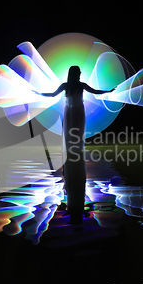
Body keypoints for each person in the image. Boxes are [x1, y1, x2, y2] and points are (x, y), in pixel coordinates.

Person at [33, 65, 114, 225]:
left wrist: (108, 91)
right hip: (74, 110)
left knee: (72, 132)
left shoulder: (68, 86)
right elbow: (95, 92)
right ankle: (74, 153)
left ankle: (73, 153)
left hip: (71, 110)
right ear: (76, 74)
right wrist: (108, 91)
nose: (80, 74)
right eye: (79, 73)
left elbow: (51, 95)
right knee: (75, 132)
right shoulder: (77, 85)